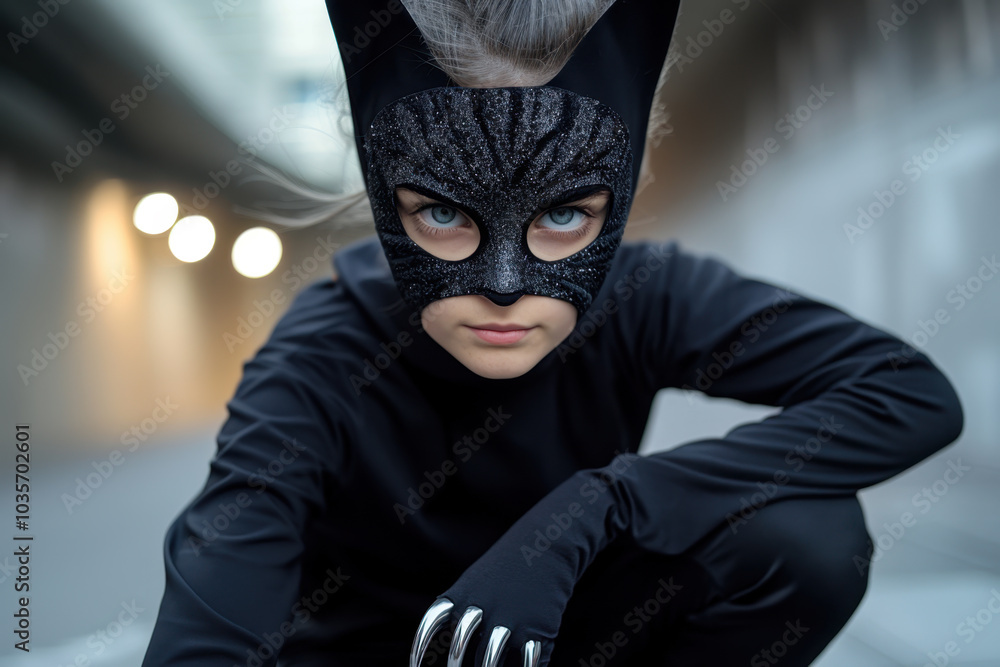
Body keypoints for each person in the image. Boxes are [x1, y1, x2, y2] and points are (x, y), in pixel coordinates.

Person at [141, 1, 964, 666]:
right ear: (384, 191)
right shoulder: (322, 355)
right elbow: (211, 615)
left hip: (560, 639)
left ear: (628, 184)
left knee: (807, 538)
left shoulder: (644, 293)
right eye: (444, 212)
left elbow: (908, 392)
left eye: (564, 213)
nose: (504, 287)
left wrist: (598, 505)